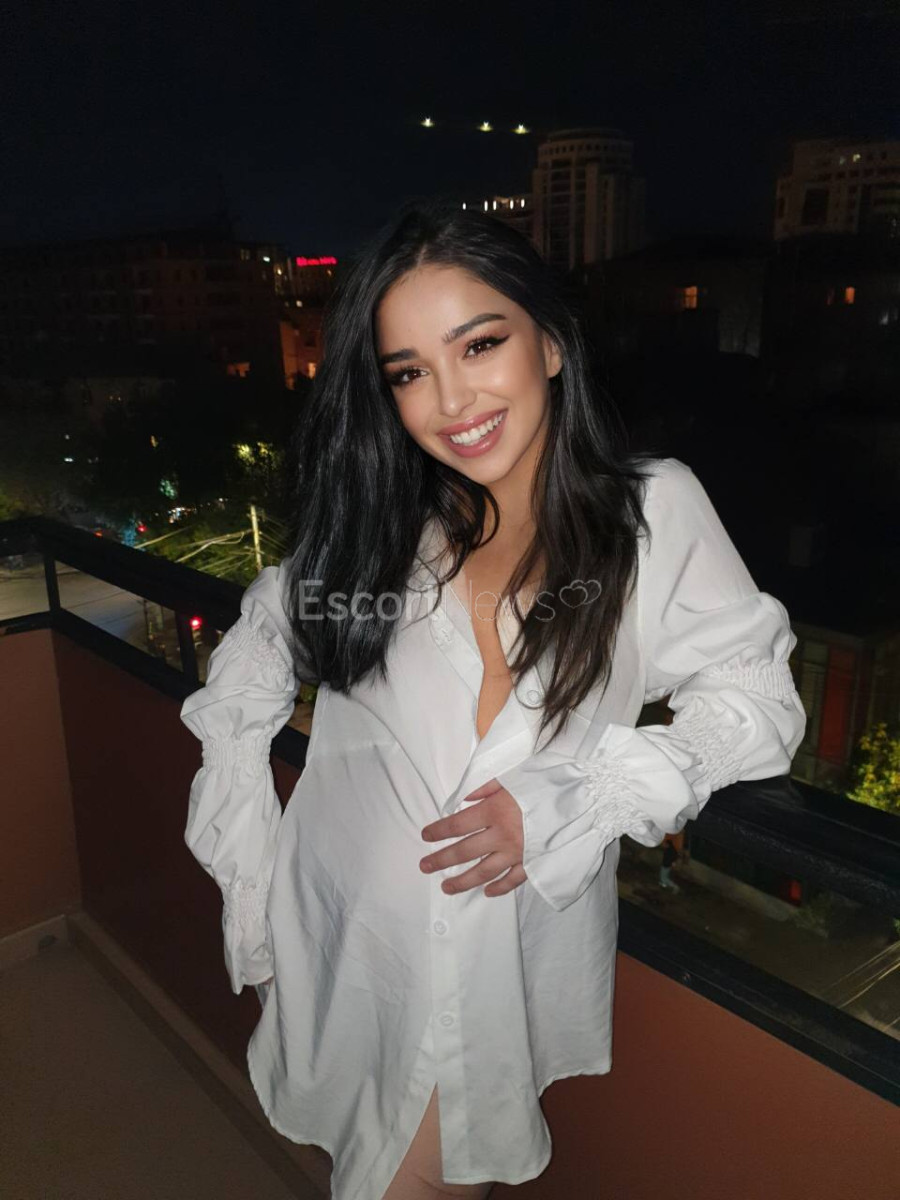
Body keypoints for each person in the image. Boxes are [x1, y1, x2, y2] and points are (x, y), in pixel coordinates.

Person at [179, 198, 807, 1200]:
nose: (451, 399)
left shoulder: (648, 516)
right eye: (408, 372)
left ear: (549, 342)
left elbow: (757, 696)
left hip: (494, 965)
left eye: (479, 344)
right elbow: (256, 647)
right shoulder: (382, 529)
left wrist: (578, 797)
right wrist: (252, 878)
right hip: (349, 939)